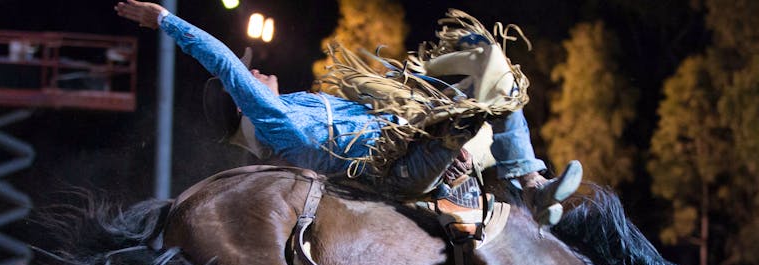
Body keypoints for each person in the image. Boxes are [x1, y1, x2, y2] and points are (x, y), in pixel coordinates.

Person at [114, 1, 580, 224]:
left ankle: (520, 186)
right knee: (481, 104)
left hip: (410, 135)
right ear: (243, 104)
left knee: (484, 54)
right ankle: (532, 189)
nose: (260, 75)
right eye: (251, 80)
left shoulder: (289, 116)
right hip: (402, 168)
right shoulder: (277, 125)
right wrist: (166, 20)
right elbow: (224, 63)